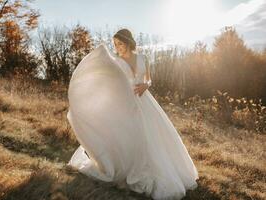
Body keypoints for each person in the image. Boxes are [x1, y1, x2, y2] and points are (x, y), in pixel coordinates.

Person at [66, 28, 199, 200]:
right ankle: (124, 166)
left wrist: (146, 85)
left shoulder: (143, 58)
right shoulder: (117, 61)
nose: (118, 47)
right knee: (126, 135)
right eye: (115, 44)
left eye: (120, 43)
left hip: (144, 100)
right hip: (126, 101)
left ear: (128, 42)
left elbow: (149, 79)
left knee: (152, 135)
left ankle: (158, 168)